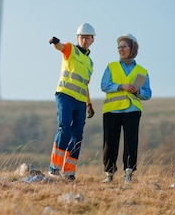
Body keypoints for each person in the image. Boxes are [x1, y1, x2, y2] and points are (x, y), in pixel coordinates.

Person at [47, 23, 96, 181]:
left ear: (92, 40)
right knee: (65, 127)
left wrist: (89, 104)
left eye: (87, 37)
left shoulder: (90, 63)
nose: (84, 40)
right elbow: (60, 47)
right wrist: (56, 42)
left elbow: (85, 85)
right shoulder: (71, 49)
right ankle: (54, 168)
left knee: (77, 135)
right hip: (65, 95)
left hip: (80, 101)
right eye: (82, 37)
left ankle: (68, 172)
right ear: (77, 38)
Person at [100, 34, 151, 184]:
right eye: (119, 47)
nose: (120, 50)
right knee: (110, 142)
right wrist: (121, 86)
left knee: (131, 142)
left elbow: (147, 93)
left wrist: (137, 91)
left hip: (132, 110)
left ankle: (129, 172)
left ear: (132, 48)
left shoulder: (141, 71)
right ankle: (109, 173)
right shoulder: (111, 67)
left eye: (124, 46)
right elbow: (104, 85)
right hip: (112, 110)